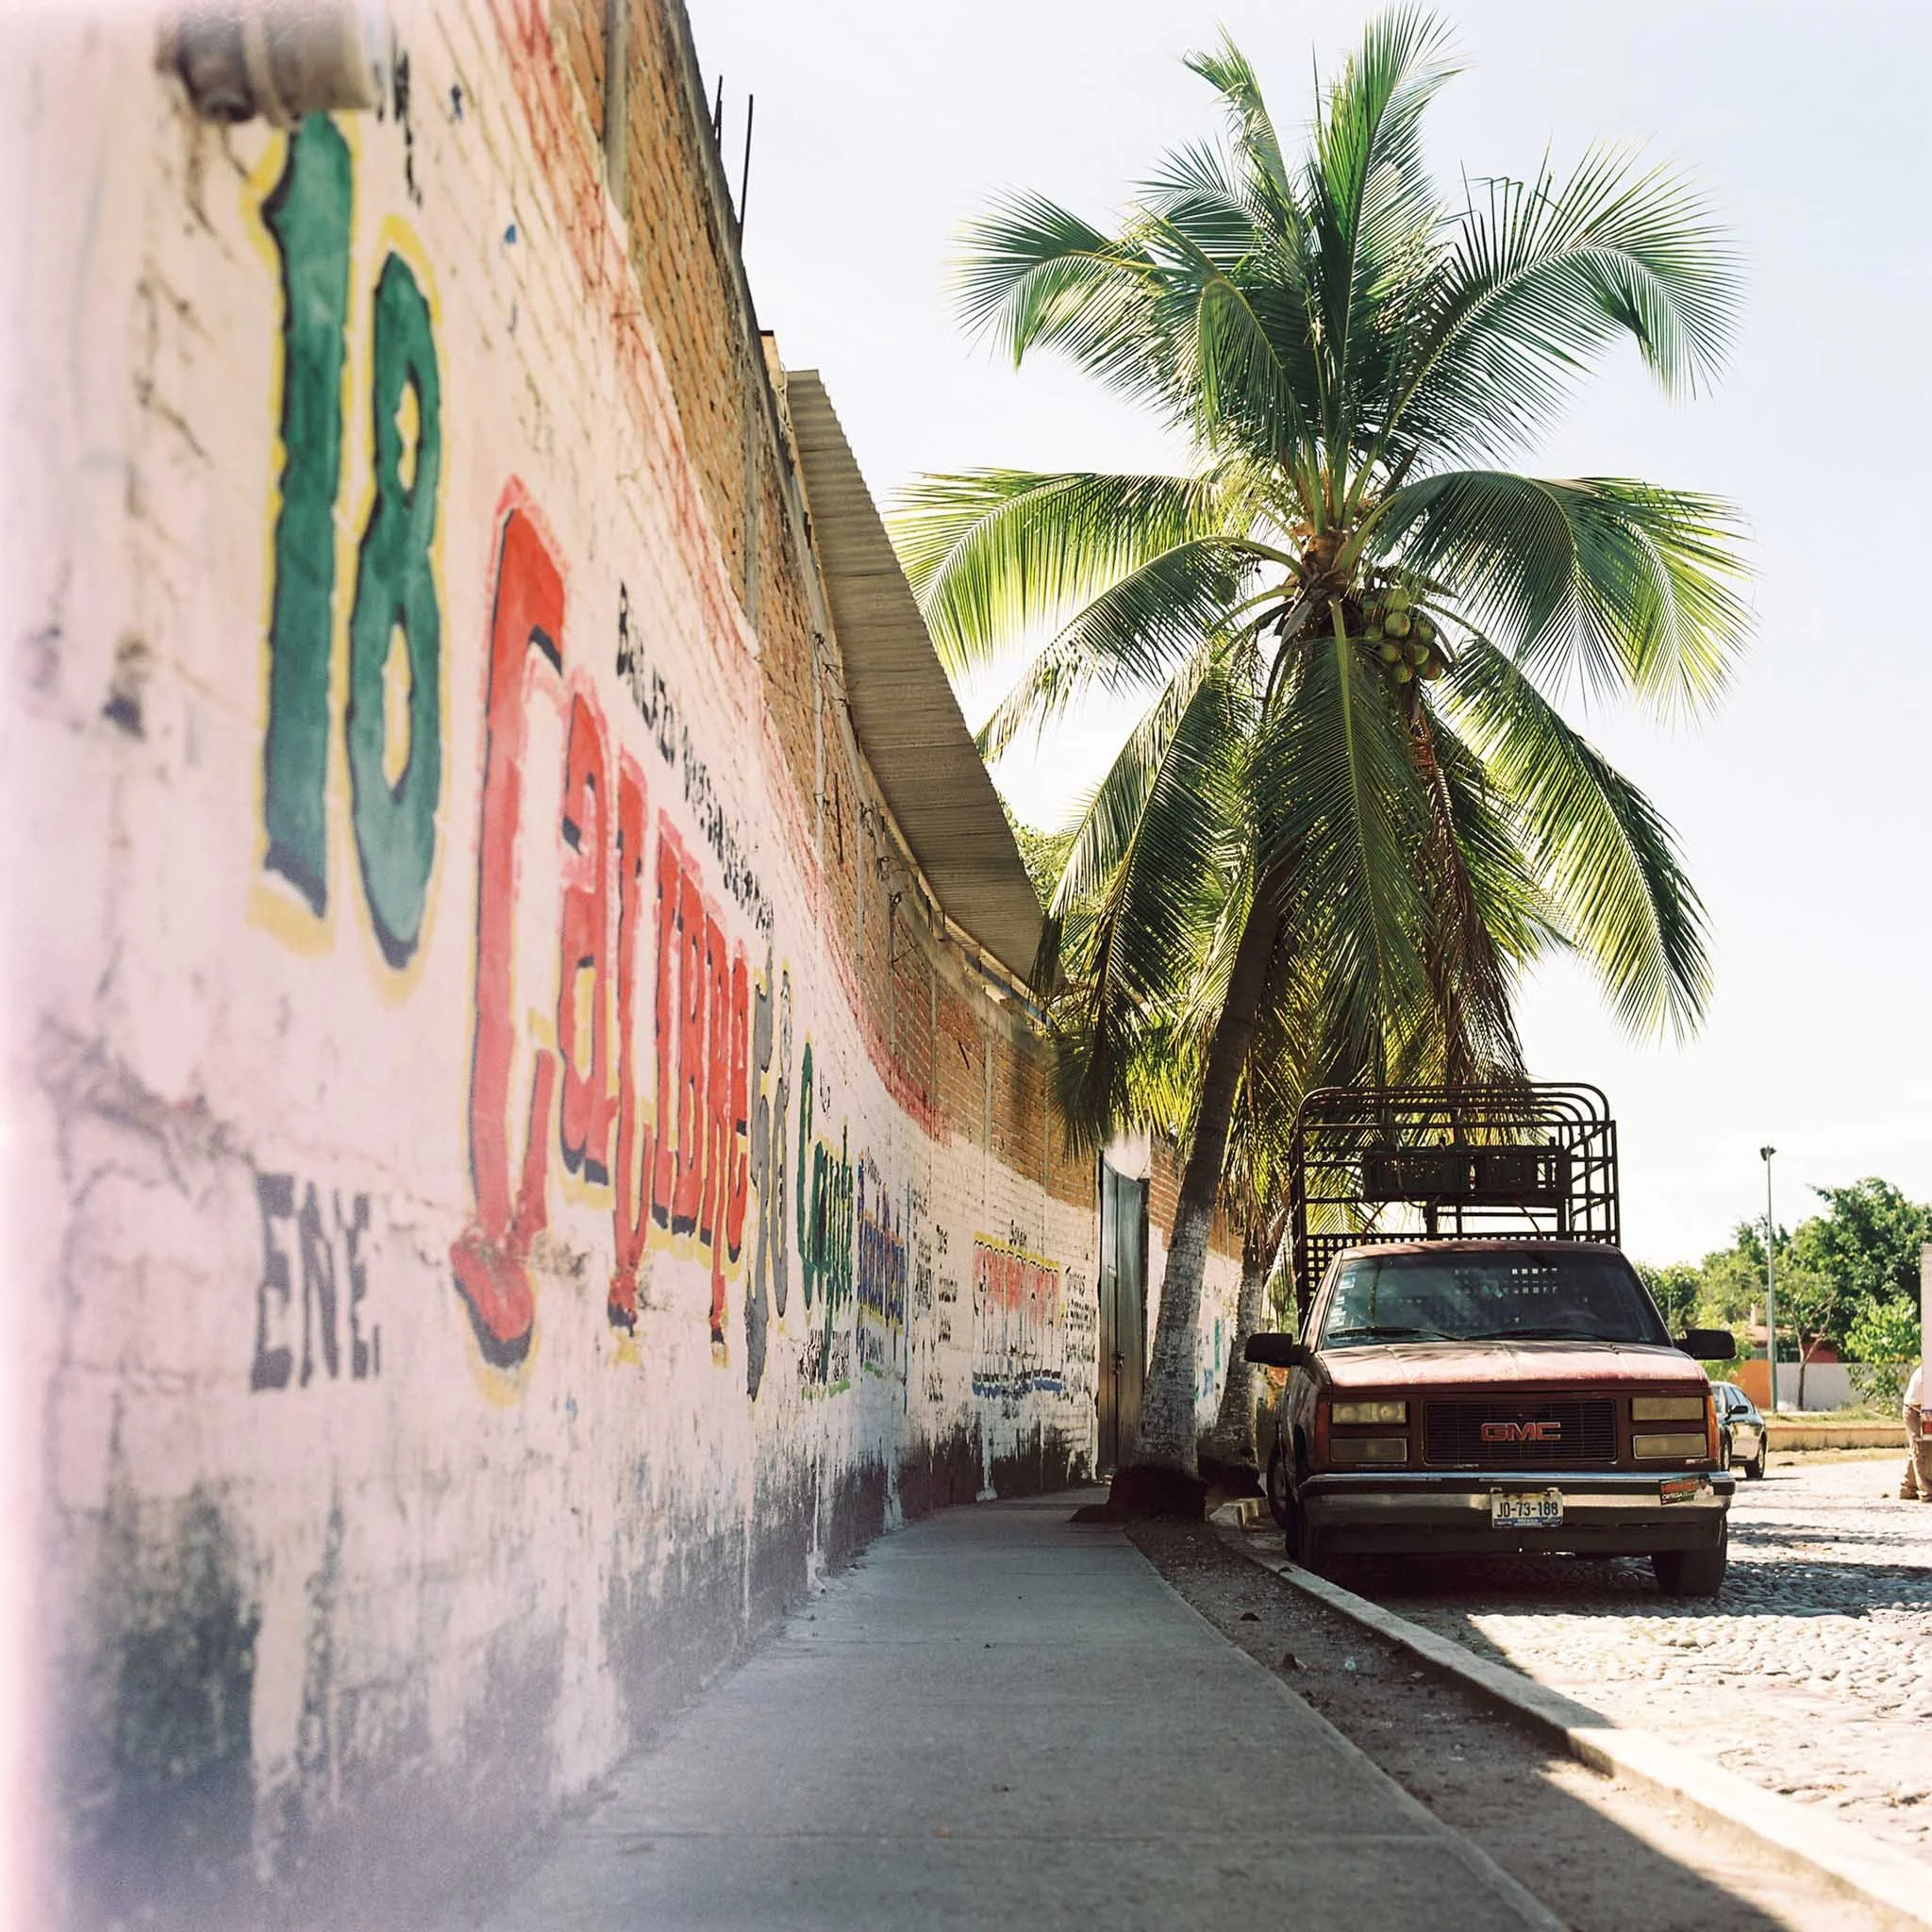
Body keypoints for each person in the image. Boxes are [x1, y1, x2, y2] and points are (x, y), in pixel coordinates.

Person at [1903, 1360, 1930, 1503]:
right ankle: (1928, 1492)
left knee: (1916, 1450)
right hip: (1914, 1410)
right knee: (1920, 1449)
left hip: (1923, 1409)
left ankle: (1907, 1488)